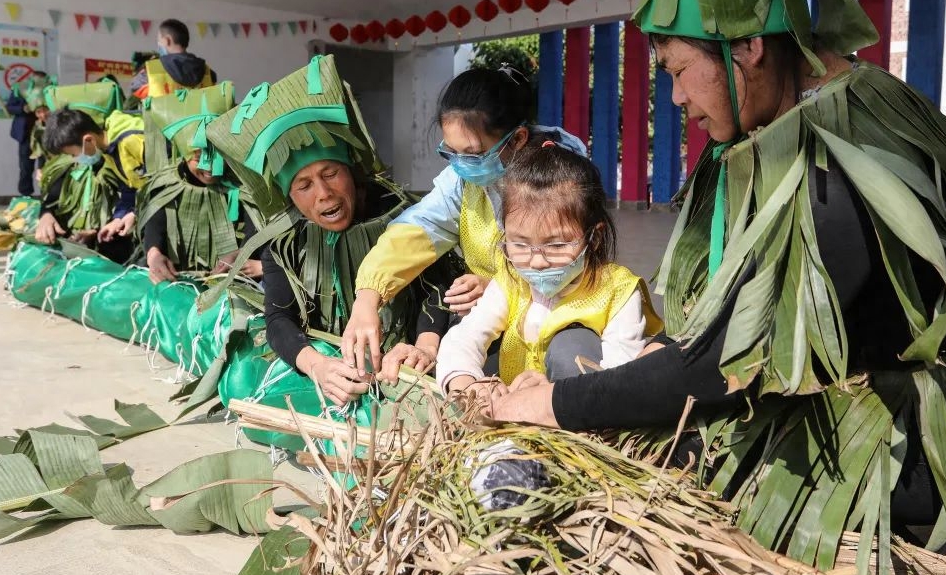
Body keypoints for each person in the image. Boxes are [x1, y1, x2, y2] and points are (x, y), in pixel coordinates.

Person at [488, 0, 946, 575]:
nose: (674, 98)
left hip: (917, 452)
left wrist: (555, 403)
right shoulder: (827, 117)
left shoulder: (845, 164)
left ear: (746, 47)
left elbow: (726, 368)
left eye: (678, 71)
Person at [204, 54, 455, 407]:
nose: (324, 194)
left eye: (330, 173)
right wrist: (318, 366)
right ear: (289, 195)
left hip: (405, 361)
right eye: (304, 185)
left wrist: (424, 346)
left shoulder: (397, 215)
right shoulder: (285, 240)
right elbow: (279, 317)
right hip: (339, 363)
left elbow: (436, 286)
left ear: (350, 172)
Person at [344, 67, 587, 379]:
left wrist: (496, 287)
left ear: (517, 140)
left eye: (472, 154)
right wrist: (367, 297)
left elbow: (561, 267)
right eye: (452, 153)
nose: (461, 165)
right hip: (489, 314)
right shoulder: (462, 181)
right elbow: (418, 228)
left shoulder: (557, 183)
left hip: (553, 316)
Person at [429, 143, 662, 398]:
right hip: (514, 419)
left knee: (571, 342)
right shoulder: (511, 281)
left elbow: (621, 369)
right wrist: (467, 384)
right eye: (519, 244)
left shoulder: (618, 292)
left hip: (580, 414)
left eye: (557, 245)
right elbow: (465, 337)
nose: (537, 262)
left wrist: (552, 394)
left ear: (594, 238)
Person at [136, 82, 262, 284]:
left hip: (231, 280)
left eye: (217, 156)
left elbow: (254, 227)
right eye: (198, 158)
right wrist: (154, 255)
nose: (209, 167)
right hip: (177, 278)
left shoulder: (243, 183)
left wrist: (241, 254)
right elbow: (155, 223)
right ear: (184, 155)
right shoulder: (167, 183)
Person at [35, 81, 144, 262]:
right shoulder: (109, 150)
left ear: (88, 140)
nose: (74, 160)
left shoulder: (132, 141)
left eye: (73, 154)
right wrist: (118, 218)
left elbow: (162, 183)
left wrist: (135, 214)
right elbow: (130, 189)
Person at [147, 19, 217, 96]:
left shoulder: (152, 70)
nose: (158, 44)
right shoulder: (207, 71)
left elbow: (135, 102)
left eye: (159, 40)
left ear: (167, 40)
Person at [6, 71, 49, 196]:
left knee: (45, 168)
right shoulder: (20, 90)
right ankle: (25, 195)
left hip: (44, 135)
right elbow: (10, 107)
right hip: (25, 136)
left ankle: (46, 195)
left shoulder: (49, 91)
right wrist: (23, 108)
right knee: (25, 168)